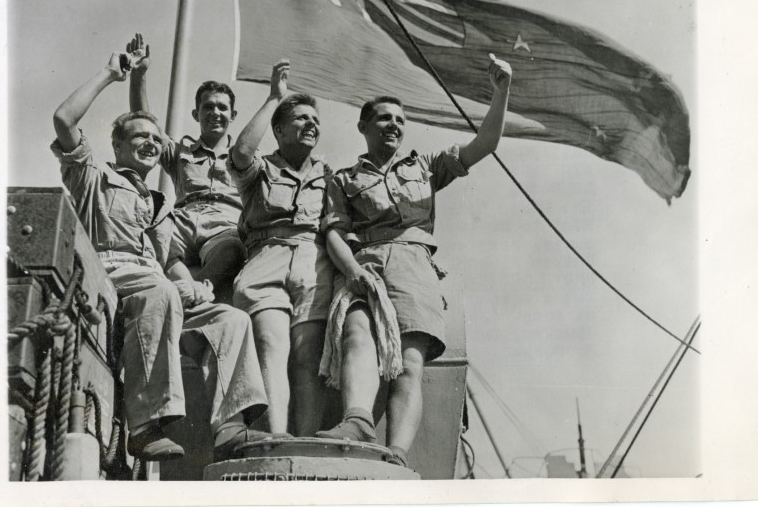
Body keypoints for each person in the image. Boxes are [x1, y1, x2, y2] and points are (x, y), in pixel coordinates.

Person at [51, 39, 271, 462]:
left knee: (231, 319)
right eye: (140, 137)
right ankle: (146, 425)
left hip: (155, 289)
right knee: (162, 292)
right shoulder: (92, 177)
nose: (152, 143)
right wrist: (112, 74)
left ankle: (229, 427)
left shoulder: (159, 205)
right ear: (117, 146)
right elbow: (64, 119)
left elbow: (168, 260)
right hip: (111, 279)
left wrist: (195, 288)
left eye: (156, 138)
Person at [317, 53, 513, 468]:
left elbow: (485, 144)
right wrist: (351, 271)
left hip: (413, 263)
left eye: (400, 120)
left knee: (409, 362)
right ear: (363, 127)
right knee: (356, 333)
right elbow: (333, 230)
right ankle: (357, 422)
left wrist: (502, 92)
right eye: (384, 118)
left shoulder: (425, 166)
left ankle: (397, 454)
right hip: (365, 263)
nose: (394, 125)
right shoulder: (343, 179)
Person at [227, 60, 333, 436]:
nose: (311, 124)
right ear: (279, 130)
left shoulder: (328, 175)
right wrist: (274, 97)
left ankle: (304, 442)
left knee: (308, 355)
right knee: (270, 343)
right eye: (301, 118)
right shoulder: (260, 169)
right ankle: (276, 436)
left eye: (315, 120)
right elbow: (241, 152)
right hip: (266, 256)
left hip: (313, 260)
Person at [128, 33, 244, 300]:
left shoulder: (245, 157)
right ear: (196, 114)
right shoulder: (180, 152)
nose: (215, 113)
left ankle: (195, 292)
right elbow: (144, 124)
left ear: (233, 116)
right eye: (208, 107)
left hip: (224, 224)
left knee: (234, 250)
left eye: (223, 108)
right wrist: (139, 76)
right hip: (183, 218)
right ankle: (191, 290)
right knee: (153, 235)